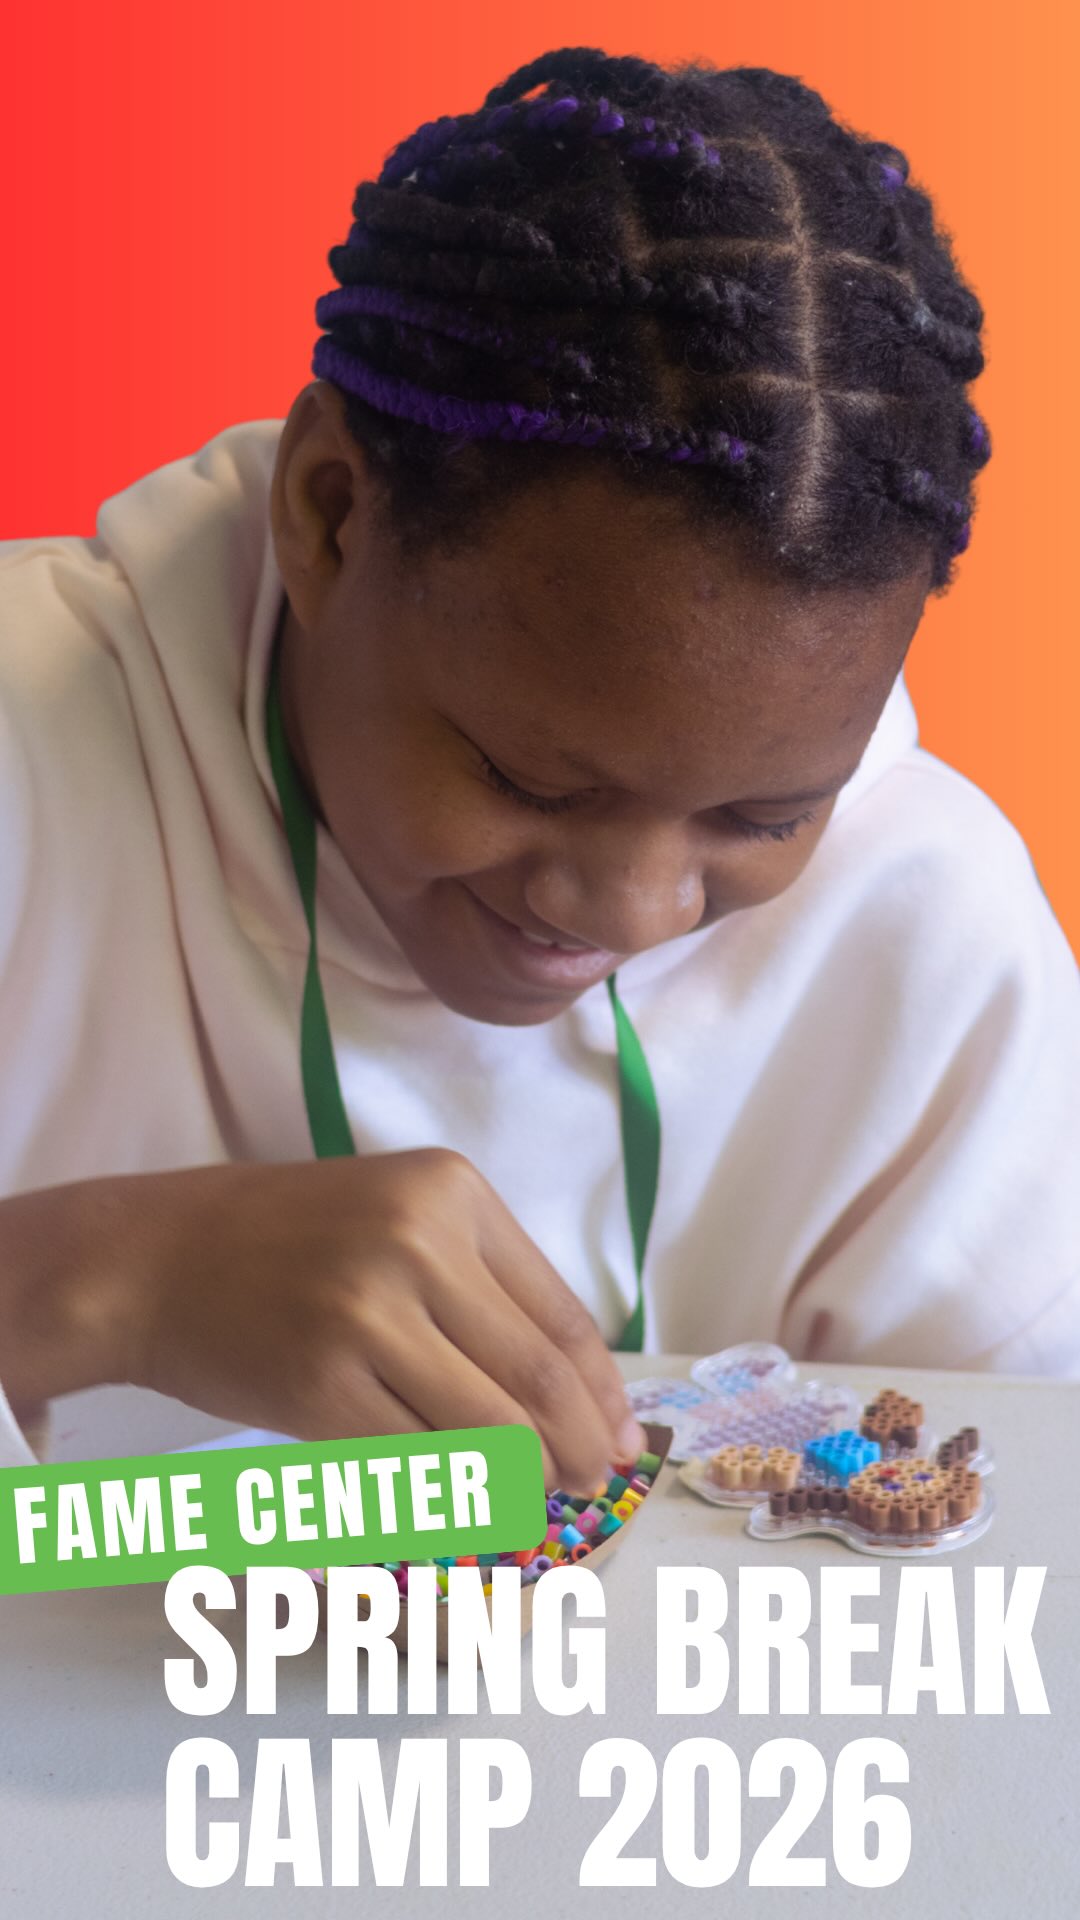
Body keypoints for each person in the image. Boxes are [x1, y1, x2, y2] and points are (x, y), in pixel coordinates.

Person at [1, 48, 1077, 1489]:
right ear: (329, 517)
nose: (634, 911)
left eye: (765, 816)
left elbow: (1022, 1581)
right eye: (531, 779)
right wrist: (98, 1278)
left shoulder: (933, 937)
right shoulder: (29, 756)